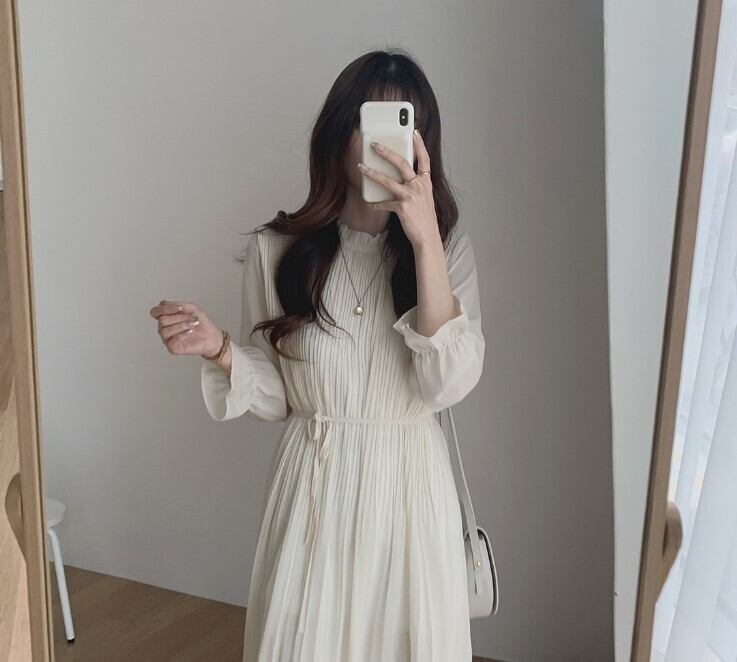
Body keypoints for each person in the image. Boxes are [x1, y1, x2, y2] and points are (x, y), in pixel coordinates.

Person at [149, 48, 484, 662]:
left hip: (410, 488)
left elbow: (445, 384)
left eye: (400, 125)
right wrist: (220, 349)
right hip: (314, 484)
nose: (383, 145)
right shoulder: (278, 249)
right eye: (368, 123)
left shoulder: (445, 251)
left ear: (423, 143)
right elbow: (283, 398)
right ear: (338, 133)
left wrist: (425, 241)